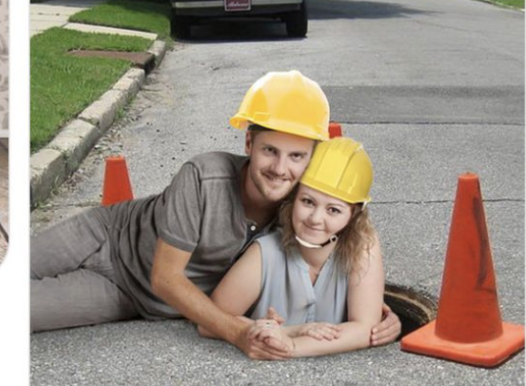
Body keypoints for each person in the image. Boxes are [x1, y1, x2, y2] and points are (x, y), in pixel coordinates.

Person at [31, 70, 399, 353]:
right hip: (105, 233)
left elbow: (335, 247)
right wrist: (238, 332)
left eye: (296, 156)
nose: (279, 168)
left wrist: (379, 309)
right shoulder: (204, 177)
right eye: (270, 150)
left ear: (311, 158)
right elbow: (166, 278)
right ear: (249, 142)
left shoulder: (302, 203)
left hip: (123, 294)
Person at [204, 137, 388, 360]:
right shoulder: (265, 254)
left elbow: (365, 329)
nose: (315, 219)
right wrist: (283, 331)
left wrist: (291, 345)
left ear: (354, 215)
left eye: (333, 210)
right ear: (293, 199)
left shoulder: (363, 245)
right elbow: (210, 323)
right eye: (308, 202)